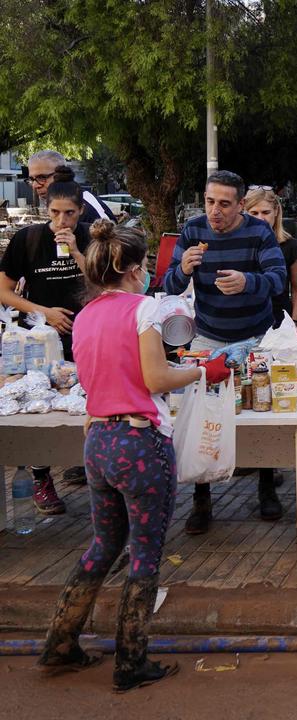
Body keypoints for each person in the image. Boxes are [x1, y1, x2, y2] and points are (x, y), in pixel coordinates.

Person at [37, 220, 227, 692]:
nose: (145, 275)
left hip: (97, 441)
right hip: (140, 444)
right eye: (143, 267)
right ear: (133, 269)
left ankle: (60, 643)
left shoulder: (84, 316)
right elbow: (156, 379)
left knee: (102, 544)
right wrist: (202, 372)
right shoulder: (145, 310)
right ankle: (131, 661)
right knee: (145, 553)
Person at [162, 170, 287, 535]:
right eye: (209, 201)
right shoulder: (193, 231)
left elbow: (278, 281)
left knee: (261, 409)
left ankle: (266, 486)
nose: (215, 211)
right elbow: (168, 285)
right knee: (199, 412)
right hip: (208, 336)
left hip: (256, 336)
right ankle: (202, 500)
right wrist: (182, 269)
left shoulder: (258, 232)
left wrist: (249, 282)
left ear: (240, 205)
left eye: (224, 204)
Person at [1, 179, 94, 507]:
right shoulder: (28, 239)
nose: (61, 221)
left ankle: (93, 474)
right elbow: (3, 290)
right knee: (39, 410)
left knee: (87, 409)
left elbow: (106, 283)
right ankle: (41, 479)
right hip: (41, 340)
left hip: (88, 338)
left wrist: (78, 253)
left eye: (69, 213)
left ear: (81, 211)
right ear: (46, 209)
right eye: (55, 212)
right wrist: (44, 313)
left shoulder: (91, 236)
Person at [245, 187, 297, 326]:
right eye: (254, 213)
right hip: (246, 323)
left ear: (276, 211)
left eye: (266, 212)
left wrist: (295, 323)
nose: (261, 218)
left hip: (281, 323)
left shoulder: (291, 245)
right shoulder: (238, 245)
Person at [24, 151, 116, 224]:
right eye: (32, 179)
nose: (35, 185)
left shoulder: (88, 206)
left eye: (41, 177)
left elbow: (110, 242)